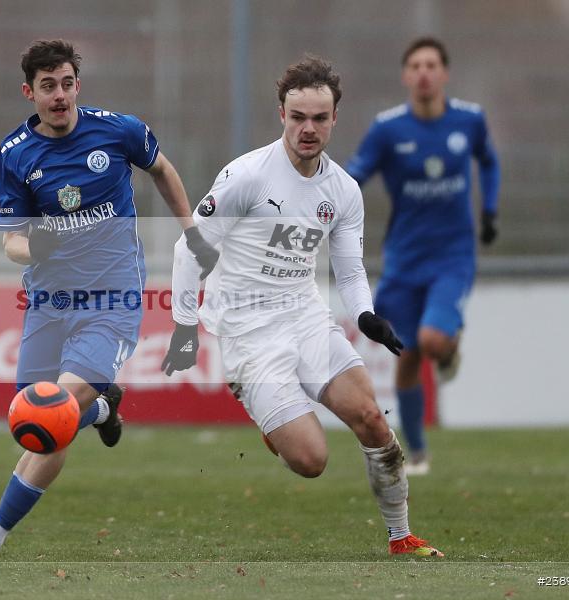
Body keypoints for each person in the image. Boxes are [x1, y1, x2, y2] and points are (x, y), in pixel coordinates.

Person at [163, 55, 444, 558]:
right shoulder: (247, 176)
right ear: (281, 116)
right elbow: (190, 250)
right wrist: (185, 326)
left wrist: (364, 316)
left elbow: (350, 269)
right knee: (312, 461)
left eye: (319, 118)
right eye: (298, 117)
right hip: (249, 328)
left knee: (373, 420)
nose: (308, 129)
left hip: (305, 314)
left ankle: (401, 536)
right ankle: (264, 412)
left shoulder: (342, 191)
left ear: (335, 118)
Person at [0, 39, 218, 571]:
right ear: (29, 91)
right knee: (32, 417)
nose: (59, 95)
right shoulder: (15, 156)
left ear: (78, 84)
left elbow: (162, 169)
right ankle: (102, 407)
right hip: (48, 301)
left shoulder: (117, 131)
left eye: (67, 83)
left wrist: (190, 230)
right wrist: (38, 246)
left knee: (49, 415)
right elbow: (11, 242)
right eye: (47, 86)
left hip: (113, 296)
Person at [345, 37, 500, 475]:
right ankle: (417, 452)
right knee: (407, 352)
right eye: (416, 65)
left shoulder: (469, 120)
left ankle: (449, 351)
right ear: (405, 75)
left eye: (432, 64)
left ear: (444, 73)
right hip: (403, 260)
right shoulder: (388, 129)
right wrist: (330, 198)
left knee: (432, 341)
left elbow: (489, 162)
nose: (424, 72)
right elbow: (356, 174)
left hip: (453, 256)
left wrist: (489, 209)